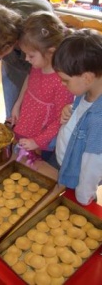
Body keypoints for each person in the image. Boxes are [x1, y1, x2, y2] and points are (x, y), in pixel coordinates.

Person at [0, 0, 54, 121]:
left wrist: (20, 103)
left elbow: (34, 73)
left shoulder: (35, 32)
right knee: (13, 112)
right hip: (13, 43)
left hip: (39, 48)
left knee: (33, 109)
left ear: (10, 44)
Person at [11, 11, 74, 165]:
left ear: (51, 52)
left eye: (31, 55)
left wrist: (37, 142)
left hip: (41, 138)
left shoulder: (61, 82)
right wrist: (17, 105)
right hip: (28, 122)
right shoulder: (38, 65)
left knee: (39, 165)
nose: (26, 59)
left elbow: (61, 120)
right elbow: (29, 80)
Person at [52, 28, 102, 205]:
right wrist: (70, 109)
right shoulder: (87, 90)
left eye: (65, 80)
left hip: (79, 183)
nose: (62, 83)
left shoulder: (98, 120)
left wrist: (82, 196)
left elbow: (93, 164)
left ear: (87, 77)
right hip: (69, 165)